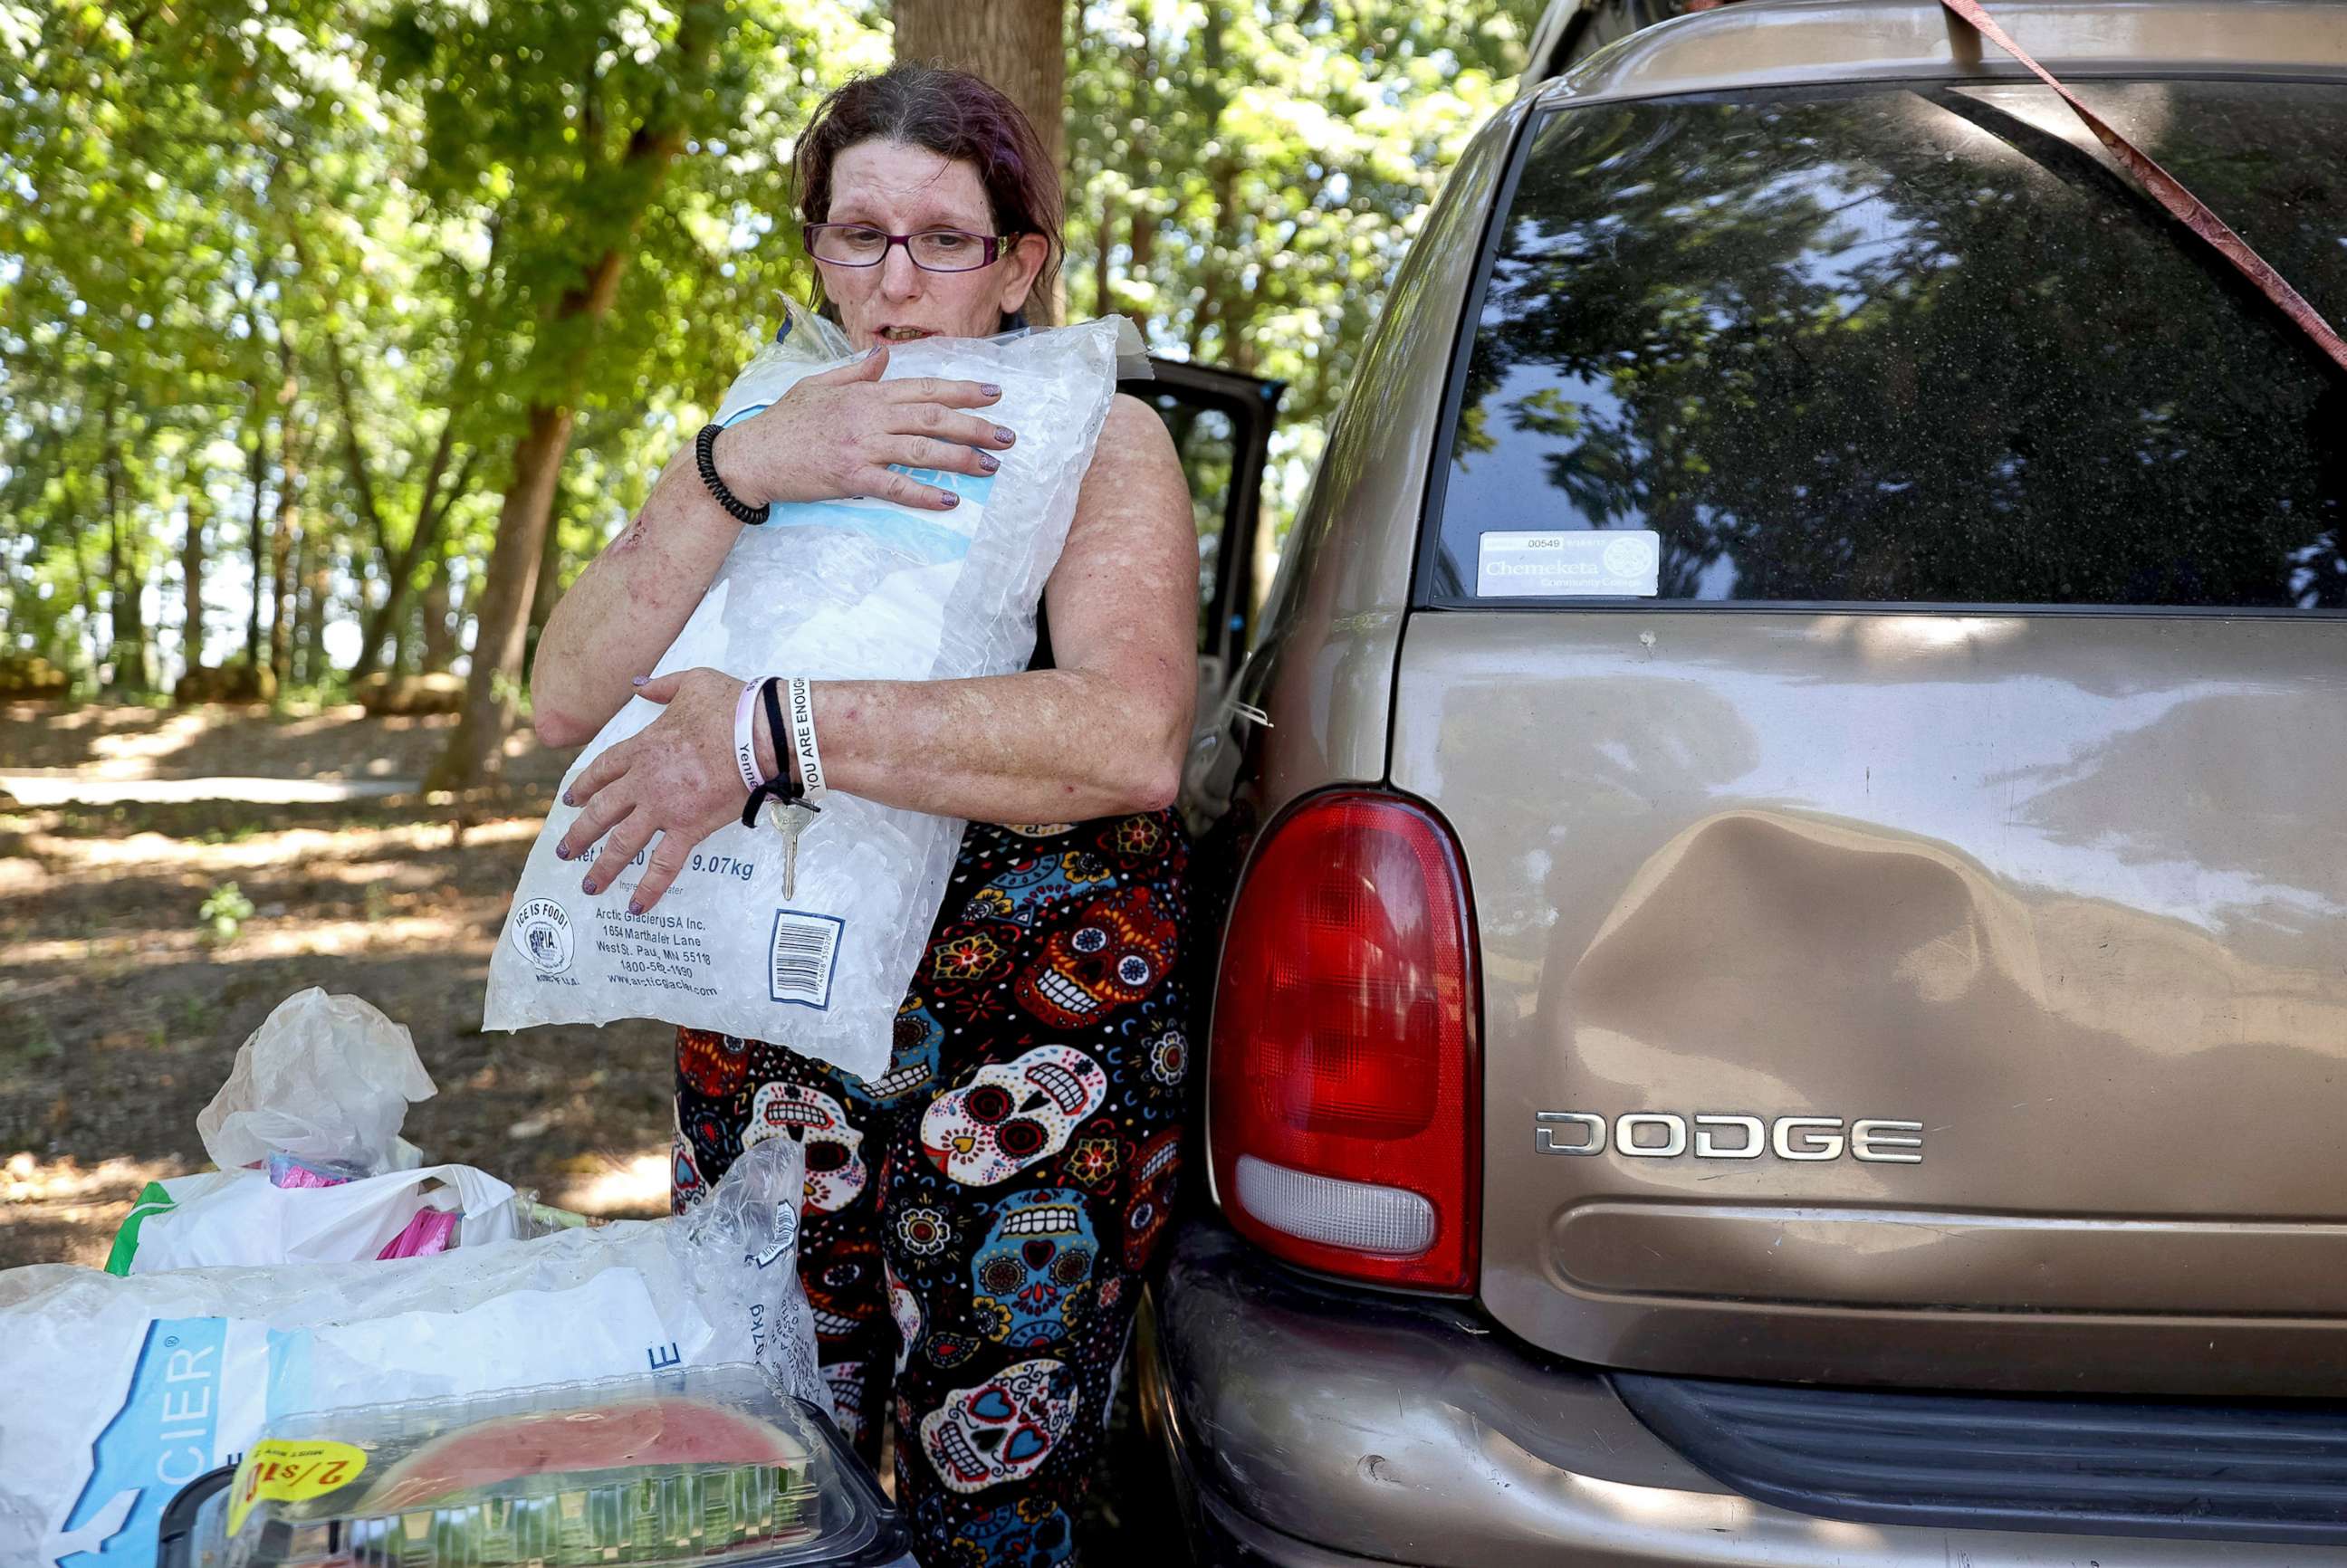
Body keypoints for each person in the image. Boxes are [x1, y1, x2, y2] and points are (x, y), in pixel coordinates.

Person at [527, 62, 1197, 1567]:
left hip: (1026, 1054)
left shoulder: (1101, 439)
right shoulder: (758, 433)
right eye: (856, 237)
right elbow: (565, 694)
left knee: (992, 1491)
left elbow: (1132, 736)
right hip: (771, 1037)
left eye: (944, 241)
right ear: (814, 249)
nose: (894, 286)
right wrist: (733, 472)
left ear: (1021, 264)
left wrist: (775, 733)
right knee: (767, 1463)